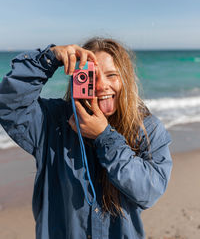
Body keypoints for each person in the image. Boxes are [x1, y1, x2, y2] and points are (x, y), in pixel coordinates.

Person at [0, 37, 172, 239]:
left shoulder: (147, 129)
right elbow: (10, 105)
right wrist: (49, 58)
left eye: (111, 75)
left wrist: (104, 137)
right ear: (77, 77)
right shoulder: (54, 122)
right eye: (92, 76)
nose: (102, 86)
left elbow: (149, 190)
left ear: (125, 78)